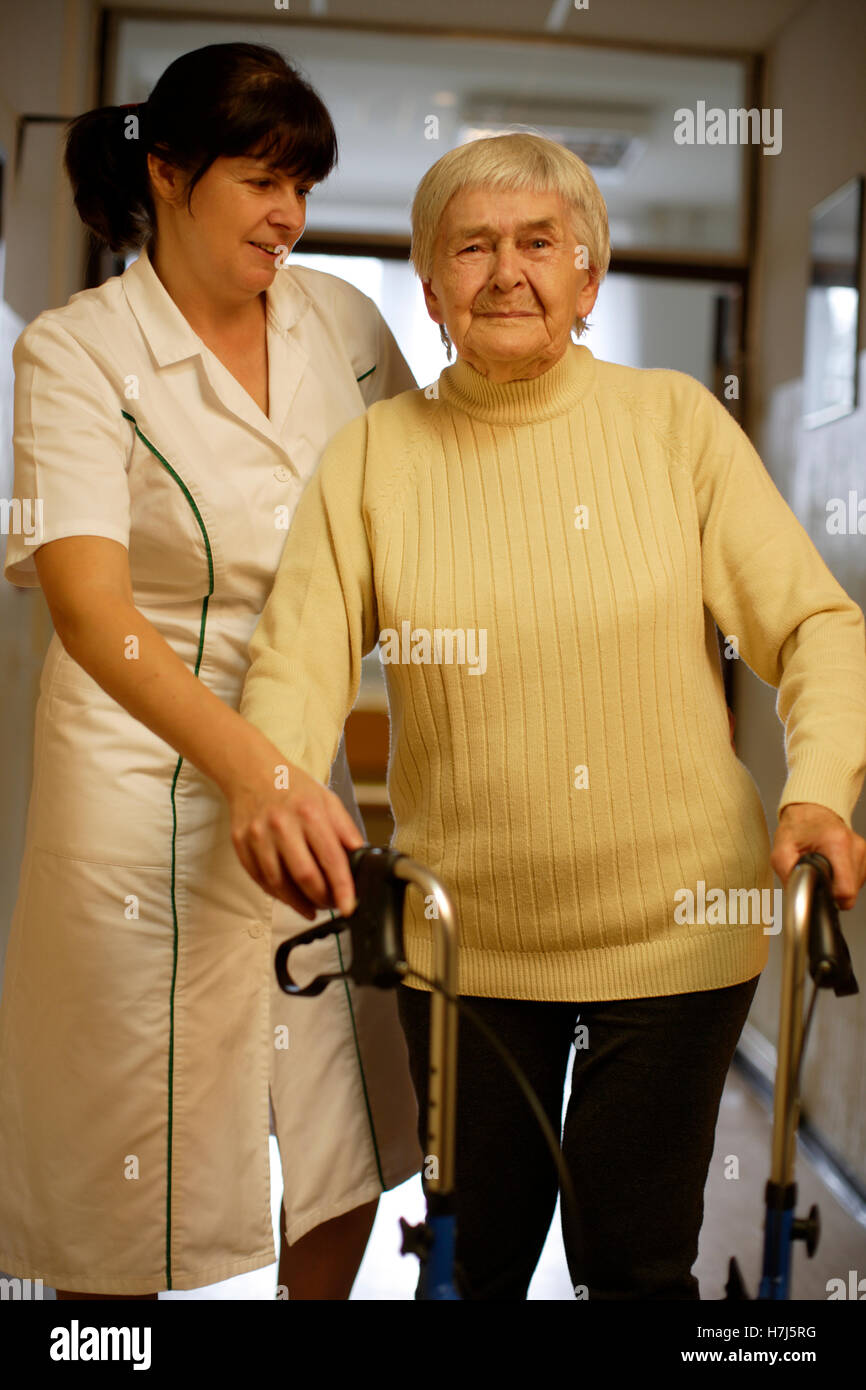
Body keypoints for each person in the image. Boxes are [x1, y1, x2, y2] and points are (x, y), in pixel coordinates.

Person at [231, 131, 866, 1300]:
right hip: (462, 944)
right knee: (474, 1269)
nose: (505, 271)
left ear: (589, 276)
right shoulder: (373, 459)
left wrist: (816, 788)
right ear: (428, 288)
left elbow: (817, 625)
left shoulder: (673, 426)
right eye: (470, 247)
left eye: (538, 243)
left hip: (675, 930)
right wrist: (271, 784)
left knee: (629, 1264)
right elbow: (297, 656)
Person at [0, 42, 422, 1301]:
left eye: (302, 184)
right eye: (258, 180)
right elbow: (90, 607)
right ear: (170, 175)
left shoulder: (340, 323)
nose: (288, 214)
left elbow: (422, 510)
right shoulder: (73, 352)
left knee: (337, 1111)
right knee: (125, 1133)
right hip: (134, 782)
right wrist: (249, 769)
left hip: (295, 759)